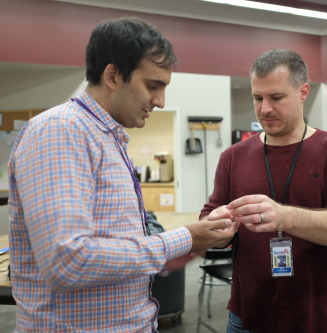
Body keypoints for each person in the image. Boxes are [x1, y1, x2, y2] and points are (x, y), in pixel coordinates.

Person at [8, 17, 237, 333]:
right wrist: (182, 238)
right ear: (113, 75)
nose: (159, 101)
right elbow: (68, 261)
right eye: (153, 86)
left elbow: (112, 246)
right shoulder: (61, 132)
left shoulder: (107, 138)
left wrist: (184, 247)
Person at [201, 49, 327, 333]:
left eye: (276, 98)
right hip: (248, 316)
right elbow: (209, 223)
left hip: (318, 314)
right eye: (257, 98)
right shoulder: (233, 157)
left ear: (303, 92)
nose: (264, 108)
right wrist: (216, 226)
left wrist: (283, 217)